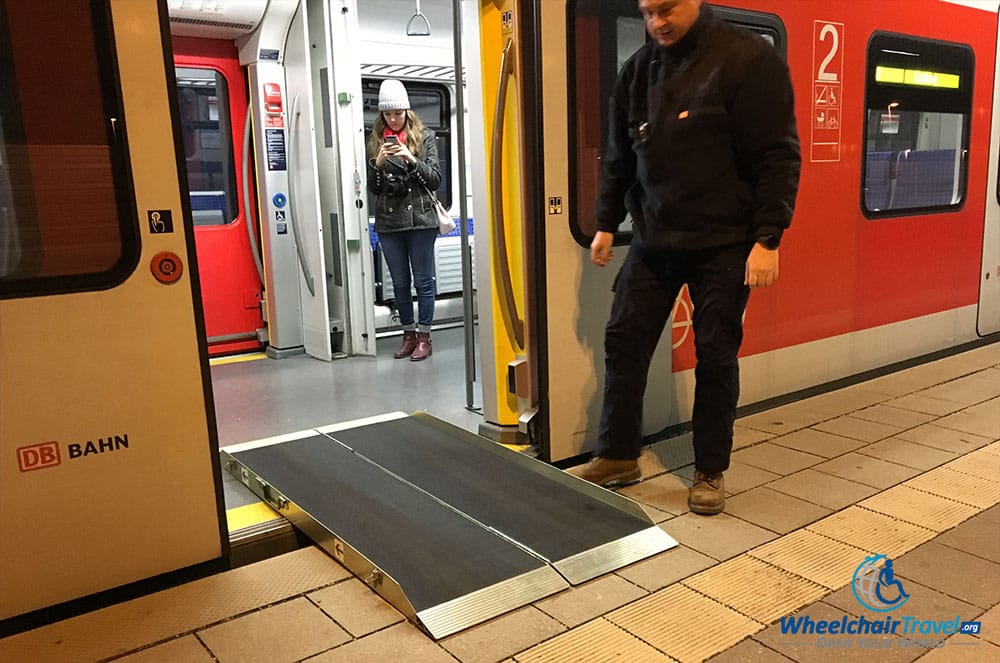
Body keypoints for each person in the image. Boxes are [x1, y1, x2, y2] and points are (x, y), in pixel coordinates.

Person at [568, 0, 801, 515]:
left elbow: (778, 155)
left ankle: (709, 470)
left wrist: (768, 238)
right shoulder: (638, 72)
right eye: (648, 12)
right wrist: (607, 223)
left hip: (725, 241)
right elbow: (621, 155)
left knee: (715, 354)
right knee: (624, 340)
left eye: (667, 9)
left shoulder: (748, 60)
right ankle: (619, 454)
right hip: (655, 239)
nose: (657, 23)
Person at [367, 79, 442, 361]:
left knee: (423, 281)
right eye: (388, 114)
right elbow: (374, 189)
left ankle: (425, 336)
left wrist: (410, 157)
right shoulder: (376, 142)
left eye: (398, 113)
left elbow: (435, 178)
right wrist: (378, 164)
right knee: (399, 282)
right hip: (389, 223)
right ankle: (408, 334)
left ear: (407, 112)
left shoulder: (426, 137)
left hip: (421, 220)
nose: (394, 118)